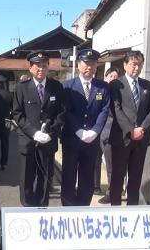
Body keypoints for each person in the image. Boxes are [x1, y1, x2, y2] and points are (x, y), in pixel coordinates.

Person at [12, 50, 65, 207]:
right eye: (37, 66)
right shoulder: (21, 88)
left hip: (48, 142)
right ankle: (27, 207)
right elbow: (17, 114)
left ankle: (42, 207)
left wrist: (52, 132)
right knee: (26, 178)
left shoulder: (56, 87)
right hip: (28, 141)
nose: (41, 69)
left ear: (48, 67)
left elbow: (62, 113)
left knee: (44, 177)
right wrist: (33, 133)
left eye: (44, 66)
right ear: (30, 68)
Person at [61, 49, 110, 206]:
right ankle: (68, 208)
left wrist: (95, 131)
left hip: (92, 141)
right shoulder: (68, 86)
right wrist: (78, 130)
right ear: (79, 64)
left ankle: (82, 207)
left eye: (93, 64)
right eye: (86, 63)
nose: (89, 67)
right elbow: (65, 110)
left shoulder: (102, 87)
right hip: (71, 139)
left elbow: (104, 110)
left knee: (87, 176)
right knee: (69, 175)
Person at [109, 50, 150, 205]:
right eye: (133, 64)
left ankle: (132, 211)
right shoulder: (116, 84)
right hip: (122, 138)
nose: (137, 68)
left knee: (135, 179)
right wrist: (131, 129)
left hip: (141, 139)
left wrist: (142, 128)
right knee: (117, 178)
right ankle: (115, 211)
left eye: (140, 64)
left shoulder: (147, 86)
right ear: (125, 65)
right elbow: (116, 109)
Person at [95, 67, 119, 204]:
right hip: (96, 133)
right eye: (111, 77)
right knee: (95, 162)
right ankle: (95, 186)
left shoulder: (119, 94)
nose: (113, 79)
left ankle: (111, 193)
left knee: (111, 166)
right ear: (106, 77)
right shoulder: (101, 90)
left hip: (110, 135)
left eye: (116, 77)